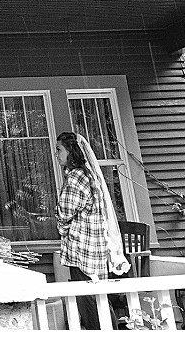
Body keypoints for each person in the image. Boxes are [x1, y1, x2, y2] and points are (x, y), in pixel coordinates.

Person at [55, 131, 126, 329]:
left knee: (89, 301)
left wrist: (62, 229)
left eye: (59, 149)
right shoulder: (88, 175)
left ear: (71, 151)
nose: (57, 154)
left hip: (82, 248)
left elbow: (64, 212)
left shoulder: (76, 177)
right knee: (99, 298)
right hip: (95, 248)